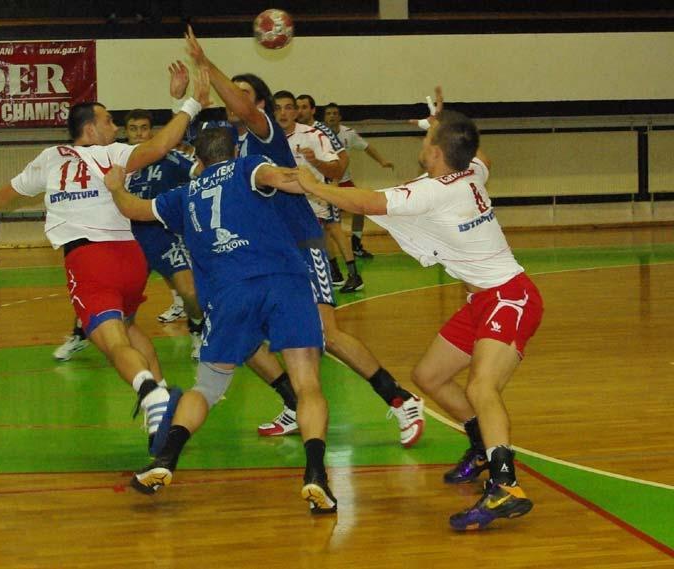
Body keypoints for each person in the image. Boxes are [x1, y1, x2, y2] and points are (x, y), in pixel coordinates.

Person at [296, 101, 543, 531]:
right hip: (482, 301)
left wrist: (312, 185)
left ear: (436, 152)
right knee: (429, 376)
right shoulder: (471, 171)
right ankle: (481, 445)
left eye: (427, 138)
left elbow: (367, 201)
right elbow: (482, 156)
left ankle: (505, 485)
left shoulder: (434, 191)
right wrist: (438, 121)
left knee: (482, 386)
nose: (422, 143)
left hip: (510, 297)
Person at [0, 67, 211, 454]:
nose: (114, 126)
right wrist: (191, 104)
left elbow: (2, 195)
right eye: (108, 120)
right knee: (129, 326)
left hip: (90, 260)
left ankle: (151, 394)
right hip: (130, 258)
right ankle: (164, 397)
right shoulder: (112, 154)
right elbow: (159, 146)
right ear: (89, 129)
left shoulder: (52, 158)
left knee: (113, 345)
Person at [184, 26, 424, 450]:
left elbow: (241, 105)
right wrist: (189, 102)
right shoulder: (226, 146)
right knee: (242, 335)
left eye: (242, 93)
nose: (232, 99)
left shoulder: (265, 134)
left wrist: (207, 64)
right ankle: (294, 402)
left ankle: (400, 398)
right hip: (257, 258)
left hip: (297, 244)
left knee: (325, 334)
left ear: (258, 104)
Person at [105, 127, 338, 514]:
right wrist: (314, 183)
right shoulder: (248, 166)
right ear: (234, 151)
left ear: (197, 160)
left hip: (229, 292)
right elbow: (279, 177)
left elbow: (134, 209)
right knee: (308, 383)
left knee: (207, 387)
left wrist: (116, 187)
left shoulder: (184, 194)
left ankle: (165, 459)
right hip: (285, 283)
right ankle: (316, 474)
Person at [54, 103, 204, 362]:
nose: (139, 133)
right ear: (125, 131)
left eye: (144, 128)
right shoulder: (112, 158)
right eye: (133, 129)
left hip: (162, 236)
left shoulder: (168, 156)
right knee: (109, 299)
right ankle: (80, 335)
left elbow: (200, 172)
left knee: (190, 291)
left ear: (151, 131)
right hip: (125, 239)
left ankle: (198, 330)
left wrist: (206, 155)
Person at [296, 94, 363, 292]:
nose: (300, 111)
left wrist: (334, 182)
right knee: (324, 230)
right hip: (312, 190)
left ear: (312, 110)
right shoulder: (299, 132)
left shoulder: (322, 130)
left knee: (334, 228)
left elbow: (343, 157)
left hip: (325, 188)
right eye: (298, 107)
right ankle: (334, 272)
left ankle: (354, 274)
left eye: (304, 107)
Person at [323, 102, 394, 259]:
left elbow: (367, 147)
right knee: (326, 219)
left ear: (340, 117)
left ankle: (355, 245)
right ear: (324, 118)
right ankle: (324, 252)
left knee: (360, 209)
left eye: (335, 113)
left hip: (344, 181)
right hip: (325, 182)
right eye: (328, 113)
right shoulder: (318, 134)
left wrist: (382, 161)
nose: (332, 116)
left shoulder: (349, 133)